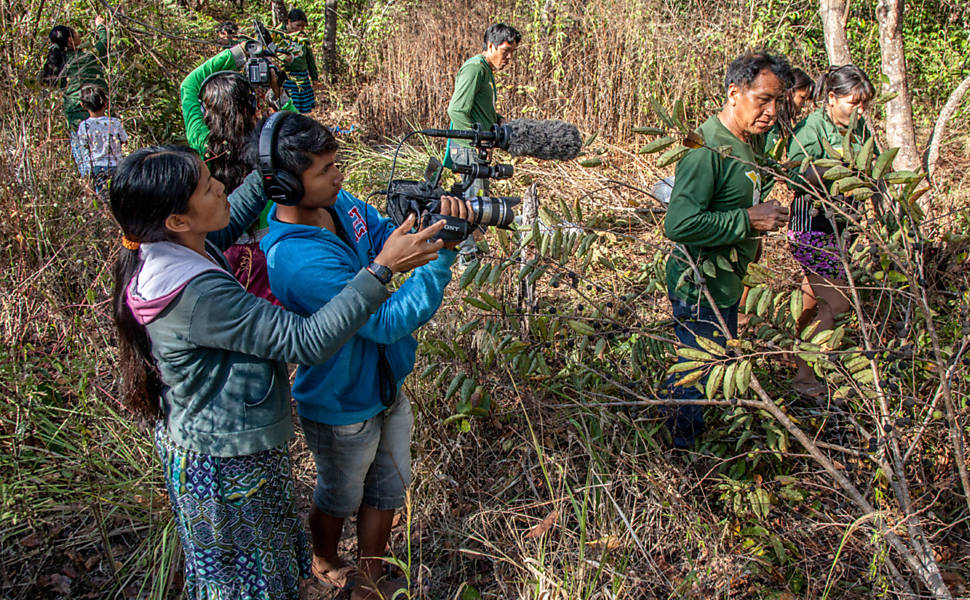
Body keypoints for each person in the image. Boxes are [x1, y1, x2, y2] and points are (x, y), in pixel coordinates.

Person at [109, 145, 446, 600]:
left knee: (267, 566)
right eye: (209, 187)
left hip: (228, 445)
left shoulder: (179, 248)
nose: (221, 186)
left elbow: (238, 211)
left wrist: (274, 163)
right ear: (176, 220)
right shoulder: (198, 294)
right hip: (226, 463)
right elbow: (306, 340)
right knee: (248, 581)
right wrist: (381, 268)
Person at [257, 113, 472, 600]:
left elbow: (380, 237)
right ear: (287, 185)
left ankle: (372, 574)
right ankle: (326, 559)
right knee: (340, 493)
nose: (340, 176)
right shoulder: (294, 257)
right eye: (325, 170)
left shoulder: (339, 205)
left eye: (338, 164)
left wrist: (430, 222)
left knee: (390, 485)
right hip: (340, 400)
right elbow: (387, 319)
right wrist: (442, 257)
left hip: (385, 380)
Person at [663, 52, 792, 448]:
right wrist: (748, 220)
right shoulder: (707, 151)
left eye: (778, 101)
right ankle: (682, 454)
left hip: (725, 285)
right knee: (695, 373)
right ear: (734, 93)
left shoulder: (745, 143)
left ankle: (695, 440)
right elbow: (679, 224)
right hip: (699, 285)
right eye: (763, 100)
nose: (771, 111)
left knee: (712, 368)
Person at [785, 64, 876, 399]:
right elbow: (794, 177)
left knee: (813, 299)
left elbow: (873, 169)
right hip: (813, 226)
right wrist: (831, 171)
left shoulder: (860, 129)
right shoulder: (811, 128)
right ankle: (805, 376)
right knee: (835, 304)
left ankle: (789, 352)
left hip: (844, 228)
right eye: (855, 103)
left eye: (864, 104)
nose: (860, 110)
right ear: (833, 98)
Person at [180, 43, 294, 301]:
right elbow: (296, 131)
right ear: (252, 105)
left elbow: (189, 85)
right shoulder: (265, 140)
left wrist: (240, 50)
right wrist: (279, 94)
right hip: (273, 245)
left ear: (206, 111)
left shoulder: (203, 142)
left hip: (222, 245)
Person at [445, 22, 521, 258]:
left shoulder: (486, 72)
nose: (508, 58)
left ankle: (469, 250)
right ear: (491, 46)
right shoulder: (475, 69)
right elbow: (456, 110)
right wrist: (476, 141)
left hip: (476, 149)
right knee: (473, 206)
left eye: (512, 53)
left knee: (477, 203)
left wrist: (497, 121)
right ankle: (466, 257)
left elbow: (479, 109)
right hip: (467, 149)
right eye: (505, 51)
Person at [41, 16, 109, 172]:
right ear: (70, 41)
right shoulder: (86, 57)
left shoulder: (58, 62)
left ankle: (88, 188)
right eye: (75, 33)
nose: (79, 34)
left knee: (85, 162)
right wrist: (100, 26)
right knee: (102, 159)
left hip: (73, 119)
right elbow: (103, 45)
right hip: (93, 114)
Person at [75, 84, 128, 193]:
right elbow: (124, 140)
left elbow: (83, 147)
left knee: (102, 197)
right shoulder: (115, 122)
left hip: (97, 167)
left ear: (83, 105)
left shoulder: (84, 126)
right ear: (105, 103)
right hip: (117, 165)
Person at [278, 8, 319, 114]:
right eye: (298, 25)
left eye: (303, 26)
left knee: (304, 109)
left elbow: (309, 58)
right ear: (289, 22)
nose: (300, 29)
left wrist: (314, 77)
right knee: (290, 107)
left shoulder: (302, 37)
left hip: (303, 77)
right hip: (288, 78)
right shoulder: (278, 35)